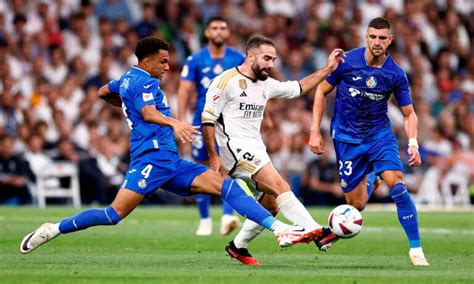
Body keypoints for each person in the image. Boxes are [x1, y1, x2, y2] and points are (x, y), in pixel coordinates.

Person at [19, 36, 323, 255]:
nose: (167, 67)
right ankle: (53, 228)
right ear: (148, 61)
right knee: (113, 215)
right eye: (163, 61)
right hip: (149, 161)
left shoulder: (126, 79)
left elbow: (102, 92)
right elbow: (150, 112)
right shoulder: (146, 82)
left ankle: (278, 229)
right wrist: (174, 123)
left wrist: (128, 109)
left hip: (171, 161)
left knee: (225, 187)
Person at [201, 35, 345, 266]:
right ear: (250, 56)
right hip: (235, 149)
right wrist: (214, 157)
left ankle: (237, 246)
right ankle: (317, 232)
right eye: (267, 58)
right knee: (281, 186)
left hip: (256, 148)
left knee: (271, 204)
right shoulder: (225, 81)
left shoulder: (266, 84)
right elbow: (207, 120)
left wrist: (328, 68)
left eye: (274, 59)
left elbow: (299, 87)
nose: (271, 64)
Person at [308, 17, 429, 266]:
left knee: (396, 184)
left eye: (382, 38)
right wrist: (314, 131)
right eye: (372, 37)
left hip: (379, 136)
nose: (377, 42)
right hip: (347, 138)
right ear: (366, 37)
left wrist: (413, 142)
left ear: (390, 40)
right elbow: (321, 90)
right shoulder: (346, 61)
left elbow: (409, 113)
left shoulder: (395, 74)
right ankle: (371, 177)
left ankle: (416, 250)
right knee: (357, 204)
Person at [178, 16, 244, 236]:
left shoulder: (238, 57)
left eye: (223, 28)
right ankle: (205, 219)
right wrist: (181, 120)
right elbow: (184, 90)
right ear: (206, 32)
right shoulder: (196, 59)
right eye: (214, 28)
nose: (218, 31)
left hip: (230, 122)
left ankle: (227, 215)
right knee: (202, 167)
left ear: (227, 33)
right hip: (202, 120)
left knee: (228, 166)